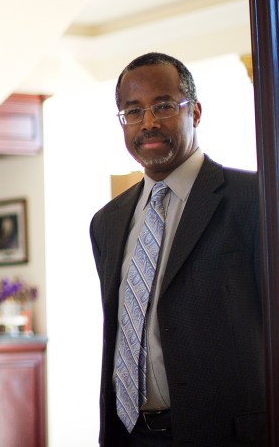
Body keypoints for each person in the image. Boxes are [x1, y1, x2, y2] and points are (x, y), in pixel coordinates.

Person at [89, 52, 265, 445]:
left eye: (163, 106)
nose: (148, 122)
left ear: (195, 112)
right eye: (132, 111)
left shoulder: (254, 200)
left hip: (226, 434)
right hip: (130, 434)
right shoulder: (107, 222)